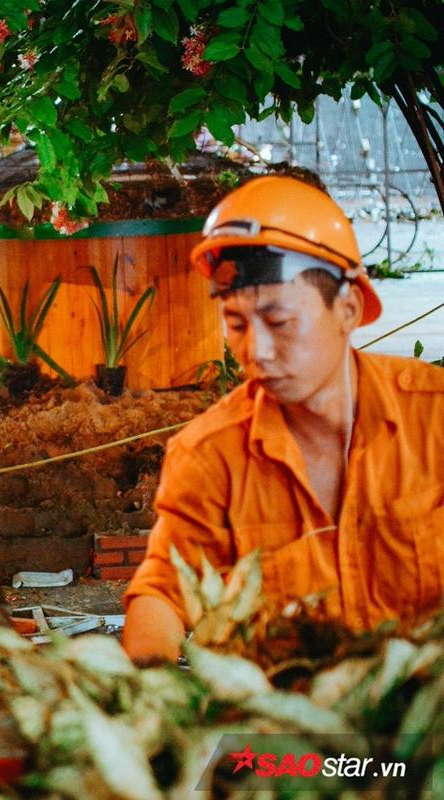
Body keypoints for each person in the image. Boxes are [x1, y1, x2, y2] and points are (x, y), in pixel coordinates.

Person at [121, 176, 444, 663]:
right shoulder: (210, 456)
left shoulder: (433, 416)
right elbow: (163, 592)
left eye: (279, 322)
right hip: (287, 730)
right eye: (235, 324)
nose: (256, 351)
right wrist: (146, 691)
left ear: (349, 308)